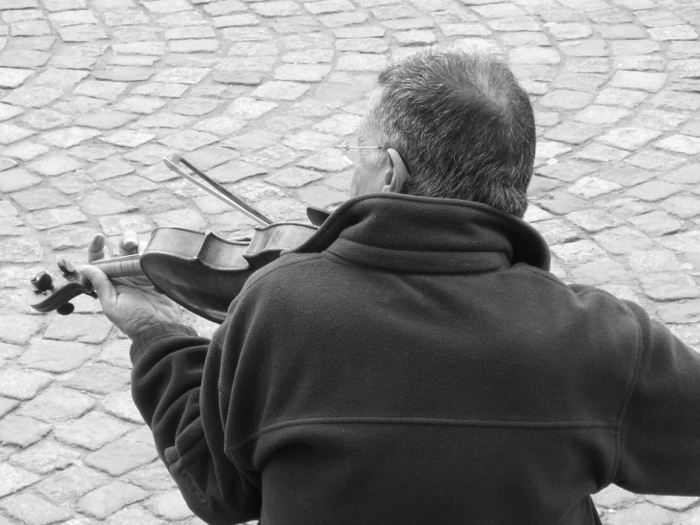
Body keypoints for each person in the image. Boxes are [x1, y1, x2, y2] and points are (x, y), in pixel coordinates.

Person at [81, 48, 700, 525]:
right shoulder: (603, 339)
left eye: (359, 151)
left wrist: (157, 333)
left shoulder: (278, 305)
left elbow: (218, 490)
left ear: (392, 171)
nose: (350, 171)